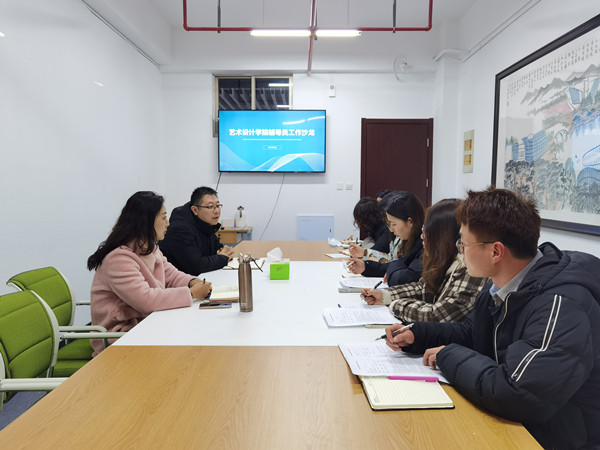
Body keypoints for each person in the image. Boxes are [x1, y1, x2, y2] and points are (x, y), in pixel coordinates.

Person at [384, 188, 600, 449]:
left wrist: (447, 355)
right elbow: (474, 332)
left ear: (496, 252)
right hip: (516, 425)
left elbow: (516, 393)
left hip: (556, 438)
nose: (460, 251)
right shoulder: (500, 284)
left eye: (463, 244)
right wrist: (419, 334)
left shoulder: (561, 305)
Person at [87, 191, 212, 356]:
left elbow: (171, 275)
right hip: (119, 336)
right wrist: (191, 293)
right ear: (146, 222)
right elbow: (146, 300)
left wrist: (193, 282)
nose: (168, 223)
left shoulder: (149, 247)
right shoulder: (118, 259)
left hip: (147, 324)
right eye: (163, 218)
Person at [362, 198, 487, 321]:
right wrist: (385, 296)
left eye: (428, 233)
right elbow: (423, 289)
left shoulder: (470, 270)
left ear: (444, 238)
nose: (423, 237)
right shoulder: (445, 260)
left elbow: (438, 315)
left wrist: (395, 305)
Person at [348, 192, 425, 287]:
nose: (391, 229)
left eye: (393, 224)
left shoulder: (423, 245)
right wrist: (366, 267)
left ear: (410, 222)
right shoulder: (407, 239)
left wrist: (392, 269)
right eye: (389, 224)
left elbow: (403, 276)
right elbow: (396, 264)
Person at [159, 186, 234, 275]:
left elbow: (217, 249)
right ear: (195, 210)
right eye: (210, 207)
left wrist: (224, 252)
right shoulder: (180, 230)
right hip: (178, 281)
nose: (216, 211)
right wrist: (223, 257)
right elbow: (196, 266)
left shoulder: (205, 222)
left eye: (218, 206)